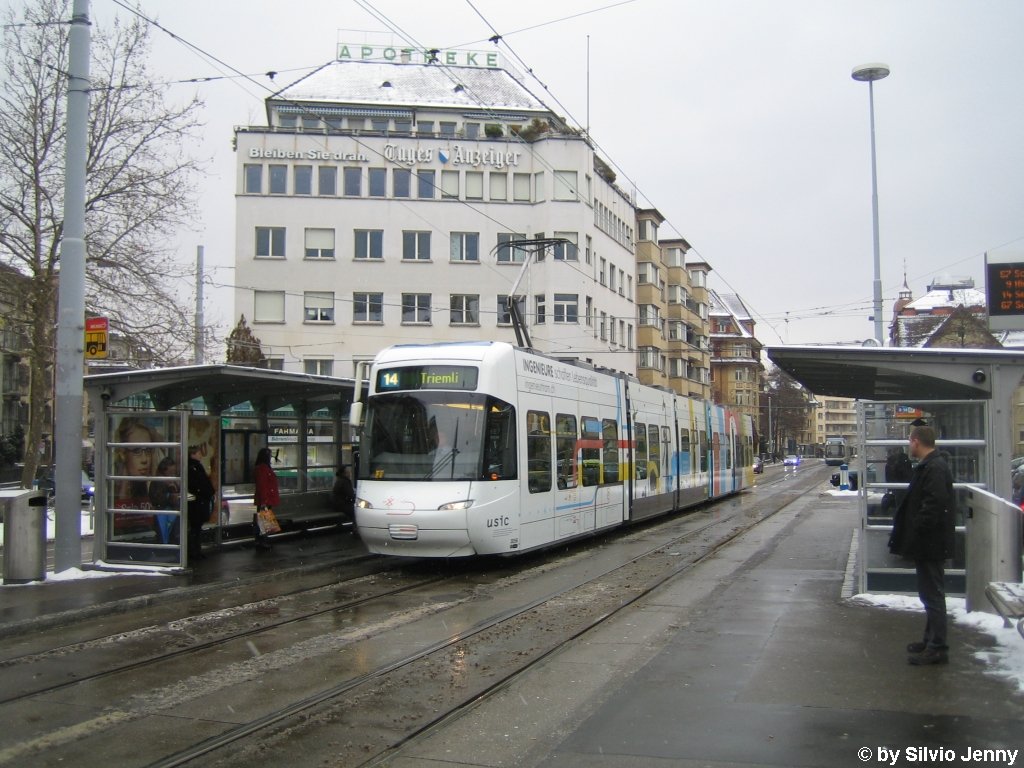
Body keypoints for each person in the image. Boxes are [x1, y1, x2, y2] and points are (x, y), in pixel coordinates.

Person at [888, 425, 956, 665]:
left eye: (910, 441)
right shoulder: (931, 465)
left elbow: (933, 505)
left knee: (933, 594)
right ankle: (931, 641)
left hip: (930, 543)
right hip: (929, 542)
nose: (909, 445)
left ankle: (938, 647)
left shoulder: (934, 467)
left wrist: (916, 529)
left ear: (917, 441)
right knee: (930, 594)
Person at [187, 445, 215, 561]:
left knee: (197, 528)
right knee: (196, 528)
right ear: (192, 454)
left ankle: (196, 551)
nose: (200, 455)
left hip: (200, 501)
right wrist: (206, 492)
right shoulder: (193, 467)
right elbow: (197, 485)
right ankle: (194, 551)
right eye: (198, 453)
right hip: (198, 502)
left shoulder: (195, 466)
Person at [149, 456, 181, 545]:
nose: (172, 474)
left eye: (173, 472)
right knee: (164, 533)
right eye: (170, 472)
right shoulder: (158, 481)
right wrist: (169, 496)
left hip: (173, 511)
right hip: (162, 512)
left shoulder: (173, 480)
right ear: (164, 470)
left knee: (173, 533)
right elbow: (155, 498)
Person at [253, 447, 279, 550]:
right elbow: (262, 486)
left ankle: (261, 541)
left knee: (262, 520)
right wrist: (264, 500)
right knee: (264, 521)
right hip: (265, 499)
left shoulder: (261, 467)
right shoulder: (263, 468)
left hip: (265, 498)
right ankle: (262, 541)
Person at [332, 466, 356, 532]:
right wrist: (355, 500)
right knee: (357, 511)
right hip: (343, 505)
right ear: (344, 474)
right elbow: (350, 494)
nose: (350, 473)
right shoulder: (345, 482)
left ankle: (355, 529)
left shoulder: (339, 480)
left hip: (338, 504)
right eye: (348, 472)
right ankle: (356, 529)